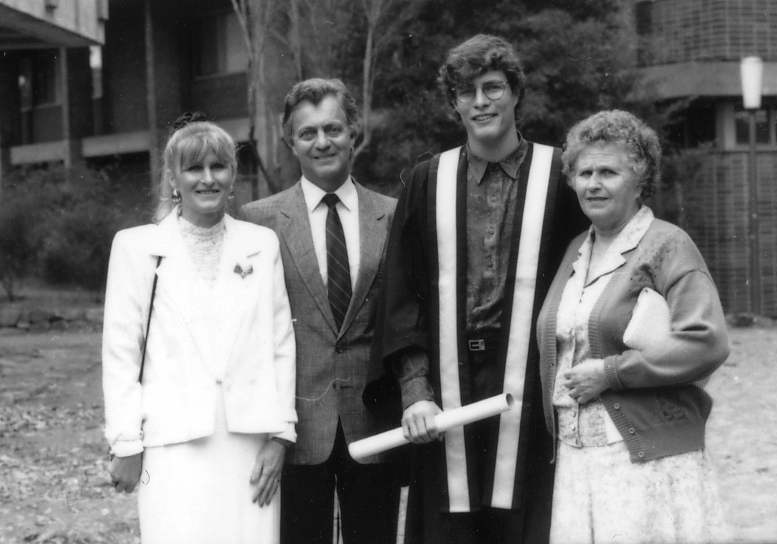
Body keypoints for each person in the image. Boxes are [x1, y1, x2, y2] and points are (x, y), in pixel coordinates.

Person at [367, 35, 587, 544]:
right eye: (466, 92)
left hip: (533, 392)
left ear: (516, 93)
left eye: (493, 88)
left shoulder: (560, 177)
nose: (480, 102)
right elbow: (401, 296)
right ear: (454, 103)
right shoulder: (427, 180)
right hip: (447, 386)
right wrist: (414, 391)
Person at [535, 110, 730, 543]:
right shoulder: (576, 249)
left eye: (609, 172)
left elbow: (707, 341)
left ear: (640, 181)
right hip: (576, 458)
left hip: (646, 459)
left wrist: (611, 372)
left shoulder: (668, 245)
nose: (593, 184)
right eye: (584, 173)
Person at [103, 114, 296, 544]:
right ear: (173, 178)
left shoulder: (261, 244)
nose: (208, 179)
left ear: (233, 175)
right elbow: (121, 355)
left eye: (218, 166)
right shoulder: (137, 247)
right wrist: (126, 443)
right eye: (194, 168)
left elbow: (281, 343)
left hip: (249, 444)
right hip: (172, 446)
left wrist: (282, 437)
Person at [240, 78, 401, 544]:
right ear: (290, 141)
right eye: (307, 133)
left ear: (354, 132)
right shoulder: (257, 221)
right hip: (295, 430)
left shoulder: (393, 215)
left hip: (373, 424)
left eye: (333, 128)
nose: (322, 142)